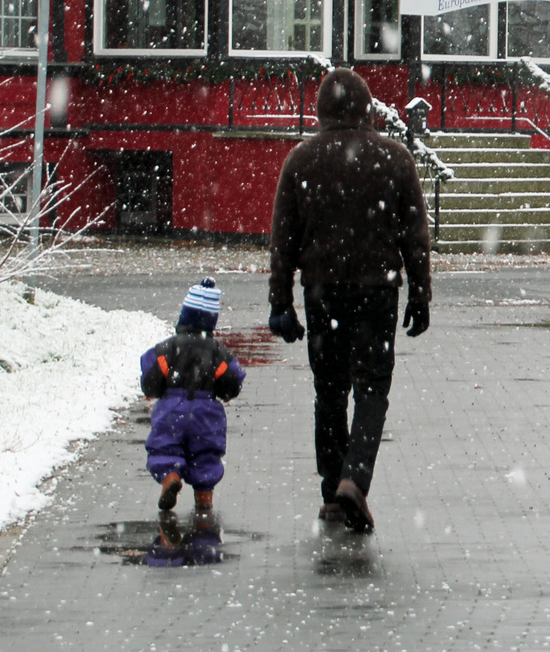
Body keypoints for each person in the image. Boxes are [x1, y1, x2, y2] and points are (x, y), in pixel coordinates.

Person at [268, 67, 431, 533]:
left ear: (321, 110)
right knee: (373, 388)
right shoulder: (394, 158)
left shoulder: (301, 160)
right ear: (366, 108)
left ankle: (332, 491)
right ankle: (355, 480)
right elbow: (415, 235)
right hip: (377, 290)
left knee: (330, 390)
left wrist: (281, 303)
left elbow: (283, 240)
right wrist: (419, 294)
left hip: (322, 291)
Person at [141, 278, 246, 514]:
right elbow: (232, 382)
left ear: (184, 316)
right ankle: (204, 500)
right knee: (206, 456)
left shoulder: (167, 349)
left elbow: (150, 381)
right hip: (206, 413)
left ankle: (170, 477)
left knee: (165, 448)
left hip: (171, 408)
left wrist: (159, 390)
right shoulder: (218, 352)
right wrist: (222, 391)